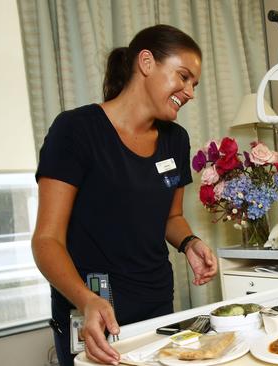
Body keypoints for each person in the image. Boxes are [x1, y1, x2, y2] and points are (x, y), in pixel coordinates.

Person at [32, 24, 218, 366]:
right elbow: (46, 240)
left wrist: (190, 243)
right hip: (93, 314)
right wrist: (86, 300)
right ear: (146, 62)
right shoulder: (76, 131)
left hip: (157, 310)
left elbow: (171, 217)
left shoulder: (175, 139)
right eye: (183, 76)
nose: (190, 91)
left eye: (195, 84)